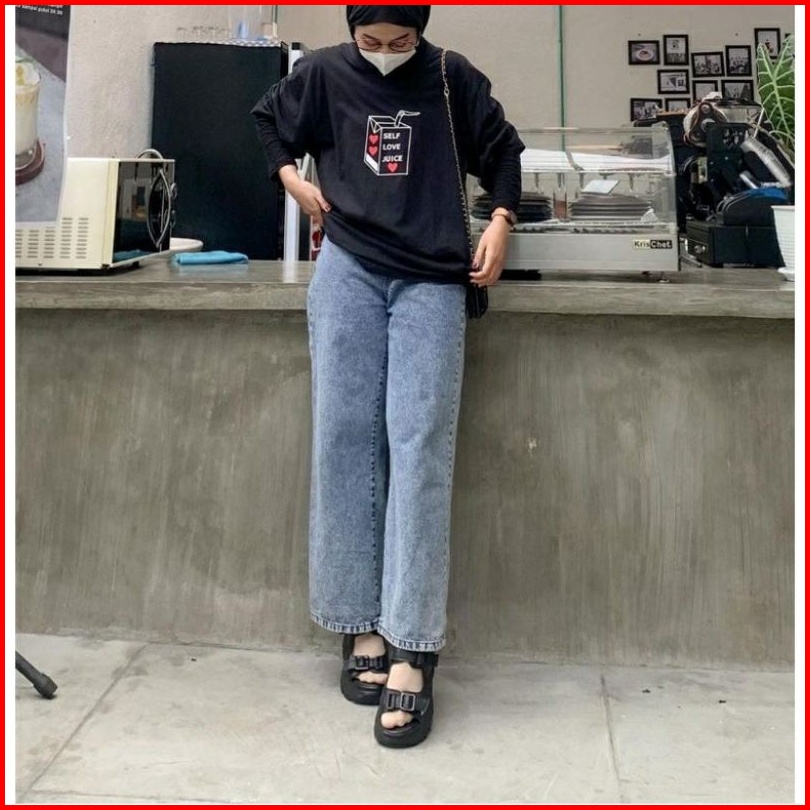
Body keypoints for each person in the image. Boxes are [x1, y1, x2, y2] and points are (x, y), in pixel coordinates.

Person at [252, 5, 523, 748]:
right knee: (344, 440)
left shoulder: (450, 77)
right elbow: (268, 121)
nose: (383, 53)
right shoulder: (323, 74)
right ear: (351, 30)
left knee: (420, 444)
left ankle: (413, 646)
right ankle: (357, 623)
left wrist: (501, 220)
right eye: (369, 41)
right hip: (347, 270)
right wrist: (292, 179)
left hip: (432, 276)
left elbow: (503, 150)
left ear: (421, 31)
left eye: (400, 41)